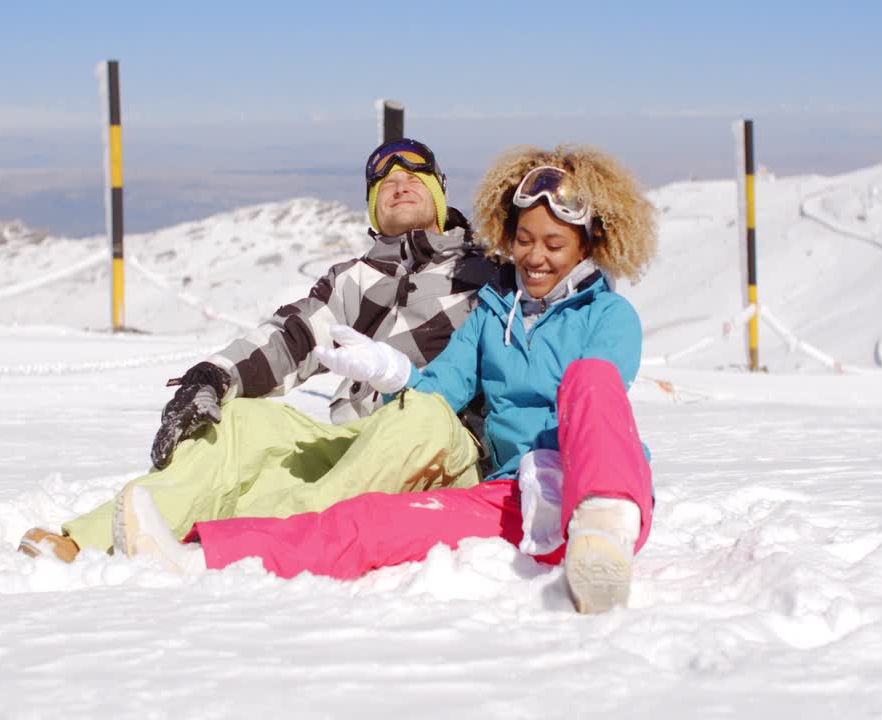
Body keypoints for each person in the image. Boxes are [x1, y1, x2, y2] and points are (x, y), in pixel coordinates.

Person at [115, 144, 659, 613]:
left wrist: (587, 495)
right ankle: (201, 558)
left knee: (588, 380)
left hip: (605, 488)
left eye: (554, 245)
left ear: (589, 246)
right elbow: (436, 395)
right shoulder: (492, 316)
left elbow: (599, 405)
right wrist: (392, 371)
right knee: (369, 522)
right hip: (511, 496)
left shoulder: (610, 317)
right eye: (523, 240)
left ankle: (600, 542)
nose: (534, 258)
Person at [19, 138, 497, 562]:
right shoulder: (354, 280)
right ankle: (93, 543)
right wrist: (212, 377)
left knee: (422, 417)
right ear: (373, 207)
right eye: (385, 182)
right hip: (357, 443)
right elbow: (291, 338)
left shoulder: (486, 274)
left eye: (414, 177)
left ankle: (240, 546)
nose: (400, 184)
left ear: (439, 193)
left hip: (441, 450)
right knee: (240, 422)